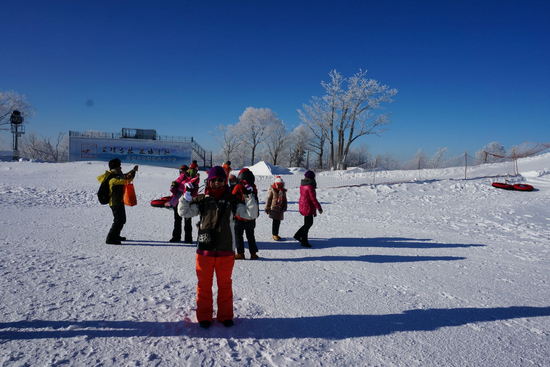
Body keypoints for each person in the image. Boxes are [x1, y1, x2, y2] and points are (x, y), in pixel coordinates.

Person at [178, 166, 259, 329]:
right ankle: (204, 316)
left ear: (224, 181)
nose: (216, 183)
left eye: (220, 180)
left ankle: (225, 315)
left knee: (225, 285)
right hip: (204, 251)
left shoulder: (232, 199)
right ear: (209, 182)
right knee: (204, 286)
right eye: (213, 180)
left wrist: (249, 195)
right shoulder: (202, 200)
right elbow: (184, 212)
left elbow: (251, 214)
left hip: (225, 251)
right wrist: (186, 196)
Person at [97, 158, 138, 245]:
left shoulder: (115, 176)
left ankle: (116, 235)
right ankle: (110, 238)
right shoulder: (113, 179)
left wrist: (133, 170)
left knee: (122, 220)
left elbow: (125, 176)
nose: (121, 168)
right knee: (118, 220)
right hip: (115, 203)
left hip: (119, 201)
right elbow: (126, 179)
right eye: (119, 166)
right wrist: (133, 172)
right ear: (115, 167)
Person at [232, 168, 259, 260]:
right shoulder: (253, 187)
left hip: (239, 216)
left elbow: (233, 198)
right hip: (251, 217)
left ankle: (240, 253)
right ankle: (253, 253)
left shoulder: (238, 187)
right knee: (251, 235)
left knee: (238, 235)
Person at [294, 170, 322, 248]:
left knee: (307, 223)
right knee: (308, 224)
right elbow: (313, 198)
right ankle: (304, 241)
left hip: (303, 204)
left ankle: (298, 235)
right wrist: (319, 207)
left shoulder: (303, 184)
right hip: (308, 206)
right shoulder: (309, 186)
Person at [265, 176, 287, 241]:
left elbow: (285, 200)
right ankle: (274, 234)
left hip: (280, 209)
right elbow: (268, 199)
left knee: (278, 222)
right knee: (275, 221)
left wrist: (285, 207)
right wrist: (267, 207)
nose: (280, 186)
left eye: (281, 184)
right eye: (279, 184)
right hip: (274, 208)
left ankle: (276, 234)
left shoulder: (283, 191)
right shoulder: (272, 189)